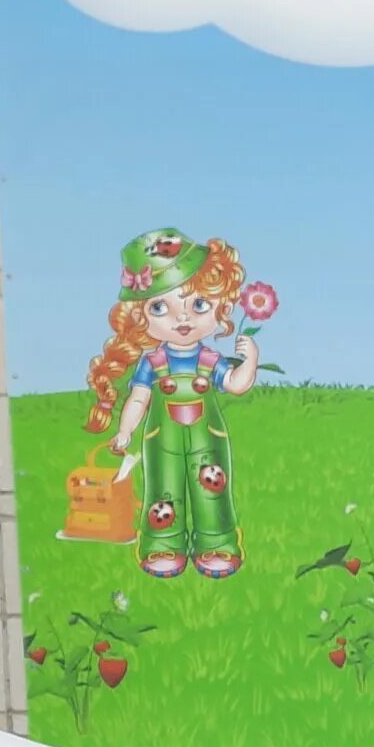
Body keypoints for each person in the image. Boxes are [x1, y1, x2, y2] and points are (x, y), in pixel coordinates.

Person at [85, 228, 266, 580]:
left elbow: (236, 385)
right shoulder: (151, 363)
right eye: (160, 307)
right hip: (160, 438)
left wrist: (251, 362)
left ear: (221, 305)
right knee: (162, 489)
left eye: (198, 305)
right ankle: (163, 544)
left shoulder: (211, 360)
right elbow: (139, 397)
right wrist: (125, 431)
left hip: (206, 438)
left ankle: (218, 542)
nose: (182, 320)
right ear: (141, 316)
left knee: (212, 486)